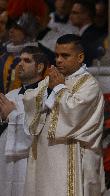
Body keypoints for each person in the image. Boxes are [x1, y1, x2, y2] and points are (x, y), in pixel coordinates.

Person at [23, 34, 105, 196]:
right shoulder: (54, 79)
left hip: (71, 154)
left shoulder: (89, 84)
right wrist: (49, 90)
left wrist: (59, 89)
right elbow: (30, 99)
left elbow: (74, 114)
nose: (58, 60)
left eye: (65, 56)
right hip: (45, 155)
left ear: (80, 57)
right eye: (57, 55)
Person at [0, 46, 48, 196]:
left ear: (39, 67)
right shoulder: (10, 95)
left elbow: (38, 133)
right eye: (19, 60)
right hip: (5, 163)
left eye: (27, 60)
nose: (20, 64)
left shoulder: (46, 96)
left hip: (29, 162)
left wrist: (12, 115)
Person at [0, 13, 39, 94]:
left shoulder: (39, 57)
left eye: (17, 28)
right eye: (10, 27)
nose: (11, 30)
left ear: (28, 31)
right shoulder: (4, 56)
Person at [70, 0, 105, 66]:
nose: (71, 16)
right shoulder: (83, 34)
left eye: (75, 13)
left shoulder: (94, 35)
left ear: (86, 15)